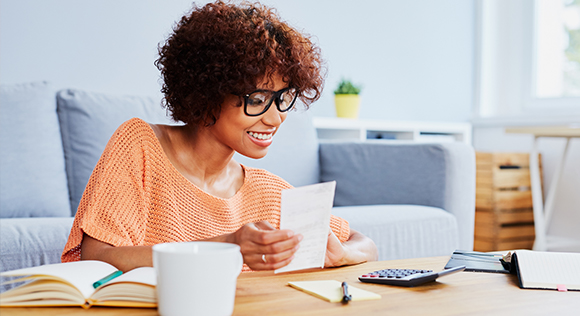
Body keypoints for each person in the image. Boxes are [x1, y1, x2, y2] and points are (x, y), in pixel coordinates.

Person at [61, 0, 377, 272]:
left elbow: (366, 245)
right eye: (257, 100)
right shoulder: (140, 146)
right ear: (209, 92)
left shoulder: (268, 192)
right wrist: (229, 244)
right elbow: (97, 257)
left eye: (282, 98)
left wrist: (344, 254)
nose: (275, 117)